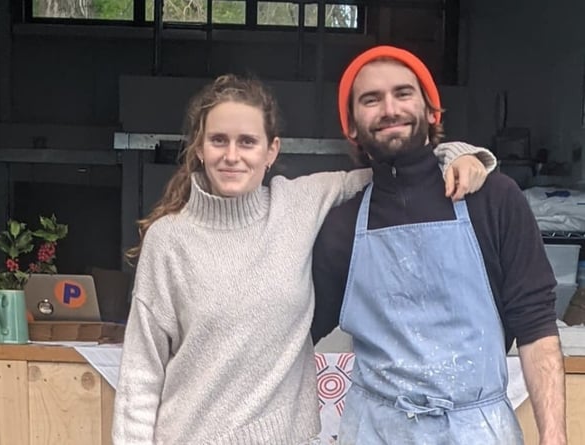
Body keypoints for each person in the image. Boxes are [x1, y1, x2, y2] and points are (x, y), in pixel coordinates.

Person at [112, 73, 496, 444]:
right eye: (218, 140)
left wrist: (459, 155)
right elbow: (141, 372)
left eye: (247, 142)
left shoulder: (299, 203)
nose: (232, 156)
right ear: (199, 148)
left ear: (271, 150)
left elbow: (397, 171)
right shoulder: (169, 240)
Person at [311, 45, 565, 445]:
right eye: (371, 99)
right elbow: (293, 330)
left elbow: (535, 326)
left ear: (432, 112)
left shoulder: (493, 198)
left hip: (478, 431)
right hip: (375, 431)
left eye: (403, 93)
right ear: (352, 126)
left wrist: (554, 438)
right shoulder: (342, 224)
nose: (389, 109)